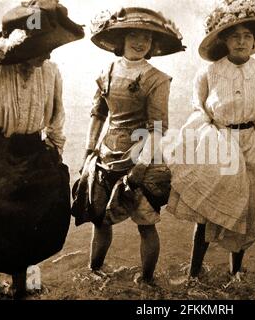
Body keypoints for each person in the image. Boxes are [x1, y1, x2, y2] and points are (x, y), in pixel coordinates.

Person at [165, 0, 255, 279]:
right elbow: (199, 109)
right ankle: (194, 272)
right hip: (218, 140)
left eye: (247, 36)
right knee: (209, 206)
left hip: (253, 142)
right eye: (235, 36)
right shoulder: (209, 72)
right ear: (224, 40)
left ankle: (236, 272)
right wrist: (207, 142)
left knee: (247, 207)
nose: (241, 41)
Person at [0, 0, 84, 299]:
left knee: (29, 220)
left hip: (33, 149)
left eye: (49, 47)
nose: (47, 54)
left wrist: (54, 148)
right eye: (41, 48)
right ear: (20, 50)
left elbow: (57, 115)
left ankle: (21, 284)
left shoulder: (50, 72)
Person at [73, 7, 184, 285]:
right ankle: (94, 273)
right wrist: (89, 151)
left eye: (146, 37)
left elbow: (158, 127)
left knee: (146, 224)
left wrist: (142, 165)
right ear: (120, 40)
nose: (140, 42)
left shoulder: (157, 78)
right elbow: (98, 113)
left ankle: (147, 280)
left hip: (142, 156)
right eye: (133, 35)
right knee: (100, 221)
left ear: (153, 44)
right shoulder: (106, 71)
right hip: (106, 154)